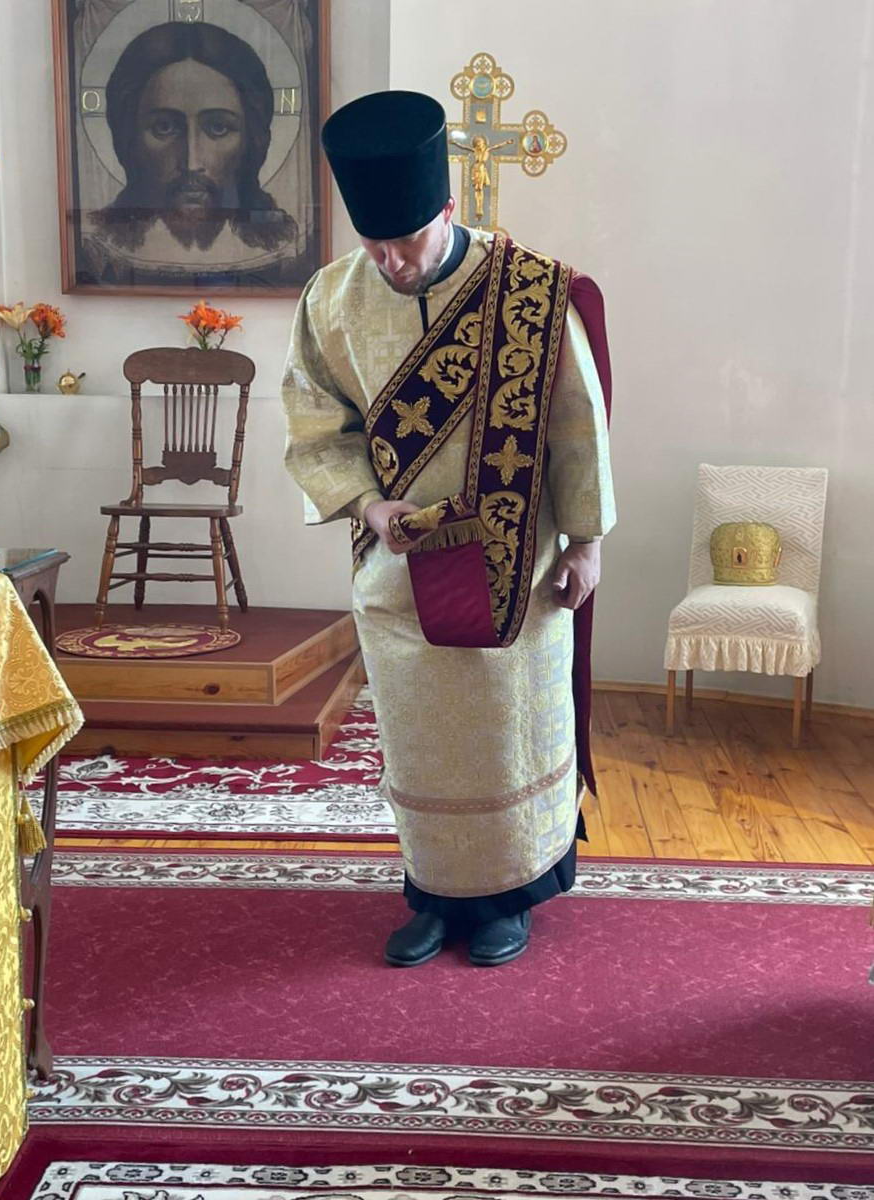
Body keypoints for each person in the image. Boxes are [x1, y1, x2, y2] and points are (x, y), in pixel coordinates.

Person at [281, 90, 615, 968]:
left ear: (449, 209)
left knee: (506, 740)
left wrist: (586, 542)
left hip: (518, 570)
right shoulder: (331, 299)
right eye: (375, 245)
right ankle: (433, 894)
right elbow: (316, 427)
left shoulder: (530, 292)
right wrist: (368, 505)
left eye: (407, 241)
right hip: (401, 574)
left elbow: (577, 426)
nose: (392, 262)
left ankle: (512, 898)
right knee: (424, 746)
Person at [80, 21, 298, 285]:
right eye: (164, 127)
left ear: (252, 141)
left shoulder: (285, 249)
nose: (191, 163)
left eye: (218, 128)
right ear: (129, 138)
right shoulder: (99, 248)